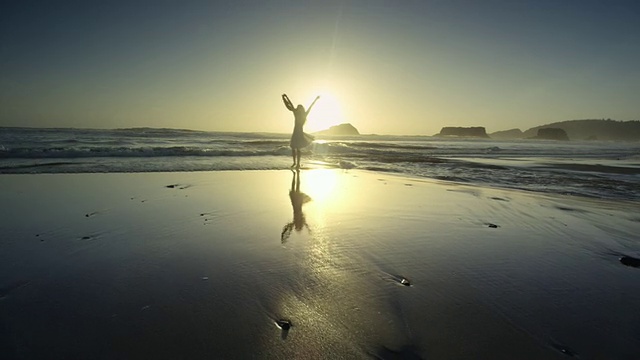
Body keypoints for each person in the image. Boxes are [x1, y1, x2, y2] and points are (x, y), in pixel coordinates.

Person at [282, 93, 320, 169]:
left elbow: (311, 107)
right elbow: (290, 105)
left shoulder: (304, 114)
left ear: (301, 109)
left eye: (298, 107)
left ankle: (298, 164)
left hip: (299, 133)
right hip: (295, 132)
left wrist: (316, 99)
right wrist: (285, 98)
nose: (297, 108)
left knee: (297, 148)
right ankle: (294, 163)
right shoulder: (296, 113)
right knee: (293, 148)